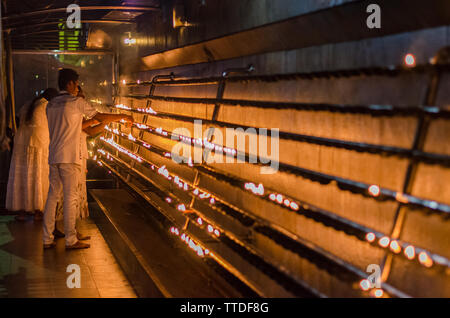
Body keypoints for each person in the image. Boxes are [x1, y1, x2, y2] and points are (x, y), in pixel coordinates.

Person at [43, 68, 133, 250]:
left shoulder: (50, 105)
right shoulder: (76, 103)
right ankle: (70, 239)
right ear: (69, 83)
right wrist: (123, 116)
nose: (77, 87)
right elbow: (98, 116)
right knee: (70, 197)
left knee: (52, 196)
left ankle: (47, 238)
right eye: (76, 84)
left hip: (54, 156)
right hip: (70, 157)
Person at [6, 88, 58, 221]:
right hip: (39, 145)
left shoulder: (28, 104)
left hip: (22, 145)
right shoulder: (46, 105)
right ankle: (38, 212)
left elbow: (16, 122)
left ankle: (22, 213)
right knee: (38, 176)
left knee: (23, 177)